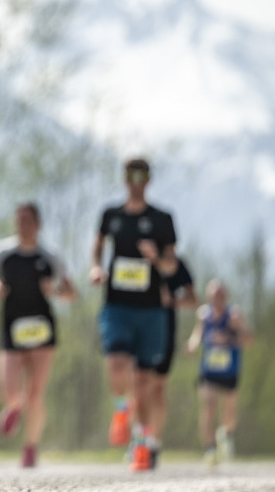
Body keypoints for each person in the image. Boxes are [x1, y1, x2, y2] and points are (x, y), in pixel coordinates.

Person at [90, 157, 178, 472]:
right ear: (125, 178)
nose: (136, 179)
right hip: (117, 305)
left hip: (152, 310)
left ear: (149, 179)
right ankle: (121, 409)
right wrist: (97, 267)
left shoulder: (162, 219)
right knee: (115, 364)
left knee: (144, 384)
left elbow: (172, 264)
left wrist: (156, 259)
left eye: (141, 174)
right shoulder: (111, 215)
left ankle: (141, 445)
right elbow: (98, 246)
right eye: (130, 174)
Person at [0, 202, 76, 468]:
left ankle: (30, 447)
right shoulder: (2, 253)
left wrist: (55, 291)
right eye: (18, 219)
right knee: (9, 390)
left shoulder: (50, 257)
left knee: (36, 393)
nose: (22, 224)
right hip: (12, 327)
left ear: (38, 224)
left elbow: (71, 293)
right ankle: (14, 406)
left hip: (41, 329)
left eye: (27, 220)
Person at [186, 279, 254, 466]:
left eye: (221, 295)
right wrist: (191, 345)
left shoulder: (235, 314)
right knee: (208, 407)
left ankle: (226, 433)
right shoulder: (203, 314)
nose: (218, 298)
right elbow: (197, 335)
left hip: (230, 370)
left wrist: (235, 330)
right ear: (209, 296)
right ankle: (210, 449)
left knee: (229, 413)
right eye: (214, 295)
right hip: (209, 371)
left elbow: (248, 340)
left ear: (226, 296)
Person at [143, 256, 197, 468]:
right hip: (138, 332)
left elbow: (193, 299)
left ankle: (153, 444)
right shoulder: (134, 254)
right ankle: (138, 438)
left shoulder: (176, 263)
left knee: (157, 391)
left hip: (164, 333)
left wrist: (171, 301)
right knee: (138, 387)